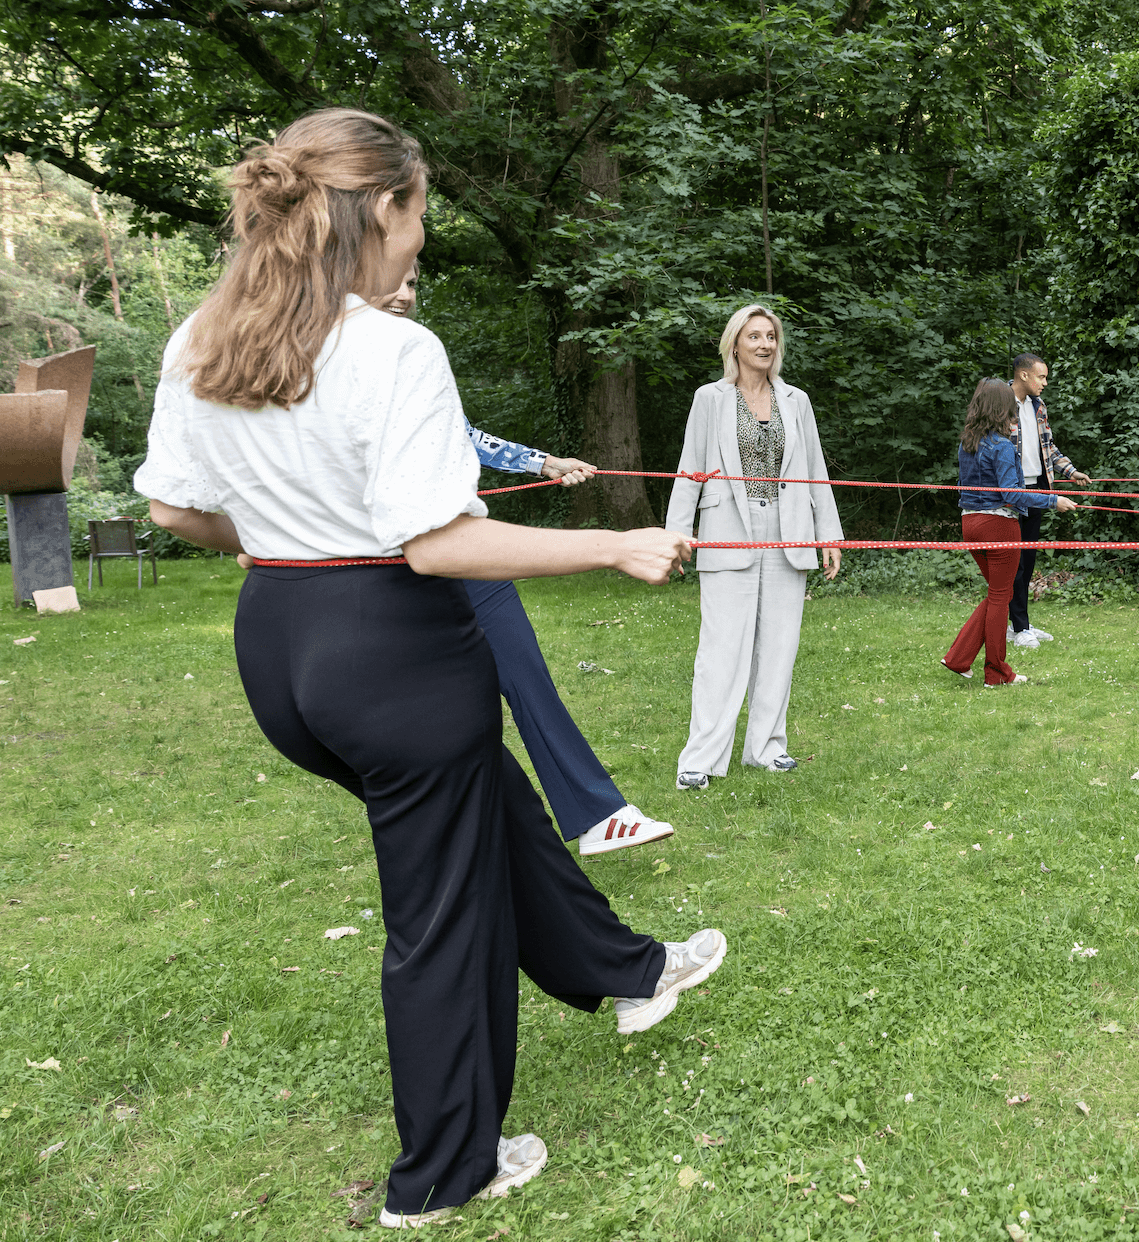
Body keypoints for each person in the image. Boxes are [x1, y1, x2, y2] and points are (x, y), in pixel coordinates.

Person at [134, 109, 728, 1228]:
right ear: (382, 209)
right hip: (391, 646)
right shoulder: (395, 348)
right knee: (444, 913)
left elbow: (174, 508)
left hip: (282, 644)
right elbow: (436, 542)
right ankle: (446, 1172)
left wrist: (293, 547)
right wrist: (615, 541)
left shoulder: (202, 338)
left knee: (480, 804)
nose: (421, 244)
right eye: (420, 218)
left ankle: (632, 972)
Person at [382, 263, 673, 856]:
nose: (405, 294)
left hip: (464, 547)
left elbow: (462, 434)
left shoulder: (414, 353)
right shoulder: (332, 361)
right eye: (395, 279)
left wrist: (544, 462)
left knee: (524, 671)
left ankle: (597, 813)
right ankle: (463, 831)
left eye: (414, 282)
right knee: (434, 703)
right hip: (384, 564)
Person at [665, 305, 843, 792]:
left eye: (771, 336)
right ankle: (700, 760)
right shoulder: (710, 399)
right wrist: (675, 534)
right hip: (726, 528)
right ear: (735, 345)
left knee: (779, 647)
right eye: (754, 336)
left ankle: (767, 749)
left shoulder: (796, 400)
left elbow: (814, 470)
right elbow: (689, 469)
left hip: (788, 531)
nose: (764, 344)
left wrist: (829, 533)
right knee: (720, 650)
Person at [946, 378, 1079, 685]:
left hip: (970, 524)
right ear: (1002, 407)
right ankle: (996, 673)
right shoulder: (1003, 447)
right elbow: (1011, 494)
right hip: (998, 525)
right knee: (1000, 597)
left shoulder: (968, 443)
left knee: (998, 594)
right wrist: (1052, 499)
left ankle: (957, 659)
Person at [1005, 353, 1092, 649]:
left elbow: (1048, 447)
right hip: (1010, 493)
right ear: (1024, 375)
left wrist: (1072, 471)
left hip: (1038, 490)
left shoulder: (1038, 406)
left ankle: (1021, 623)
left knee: (1027, 560)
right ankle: (1017, 626)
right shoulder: (1000, 403)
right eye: (1041, 377)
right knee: (1013, 562)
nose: (1045, 383)